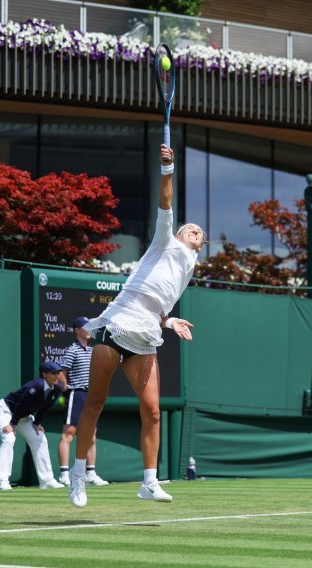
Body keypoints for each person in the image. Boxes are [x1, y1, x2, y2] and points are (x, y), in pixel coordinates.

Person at [69, 144, 204, 508]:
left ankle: (149, 482)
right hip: (118, 325)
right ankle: (77, 475)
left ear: (199, 247)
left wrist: (170, 319)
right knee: (94, 402)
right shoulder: (165, 242)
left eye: (198, 232)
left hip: (146, 334)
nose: (192, 229)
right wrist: (168, 168)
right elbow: (166, 202)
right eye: (188, 227)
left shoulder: (185, 271)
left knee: (153, 412)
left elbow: (157, 302)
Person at [0, 361, 66, 490]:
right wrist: (12, 424)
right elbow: (20, 405)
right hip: (6, 411)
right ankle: (2, 481)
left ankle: (47, 481)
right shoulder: (35, 386)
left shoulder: (58, 388)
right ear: (44, 374)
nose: (57, 376)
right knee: (9, 439)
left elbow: (45, 407)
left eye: (58, 373)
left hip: (24, 416)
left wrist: (37, 423)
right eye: (53, 373)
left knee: (40, 439)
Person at [57, 316, 109, 487]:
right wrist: (66, 389)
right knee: (69, 433)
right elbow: (61, 372)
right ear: (77, 330)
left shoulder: (94, 350)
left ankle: (91, 474)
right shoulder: (72, 350)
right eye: (85, 326)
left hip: (91, 395)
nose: (89, 329)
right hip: (76, 394)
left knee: (91, 436)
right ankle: (64, 474)